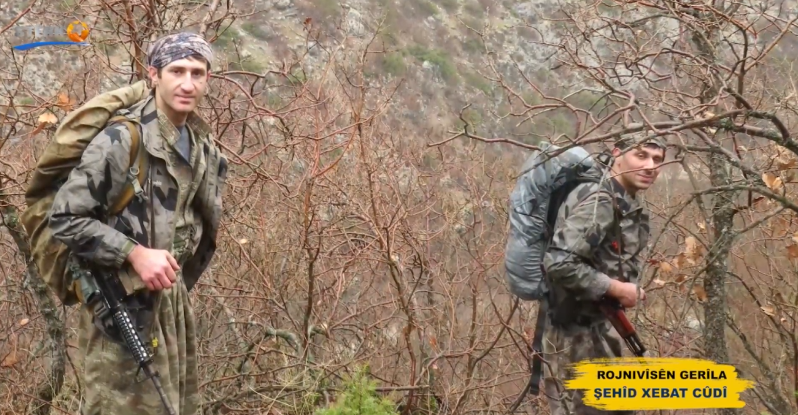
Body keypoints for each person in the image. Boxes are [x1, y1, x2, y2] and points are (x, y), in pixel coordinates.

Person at [48, 32, 227, 415]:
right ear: (154, 74)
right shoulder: (121, 140)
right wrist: (134, 253)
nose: (187, 83)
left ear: (208, 79)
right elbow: (64, 218)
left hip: (171, 303)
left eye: (197, 73)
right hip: (119, 306)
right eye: (177, 71)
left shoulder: (201, 145)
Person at [540, 134, 666, 415]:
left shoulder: (619, 200)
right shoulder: (601, 201)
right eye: (641, 155)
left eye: (657, 160)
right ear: (617, 153)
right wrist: (617, 289)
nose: (650, 166)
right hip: (578, 340)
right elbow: (559, 262)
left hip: (596, 334)